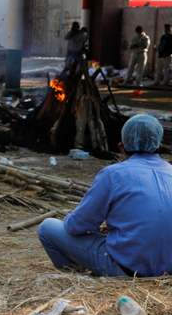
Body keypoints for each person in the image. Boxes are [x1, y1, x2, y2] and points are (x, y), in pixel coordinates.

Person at [38, 114, 172, 278]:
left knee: (47, 227)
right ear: (159, 146)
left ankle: (74, 280)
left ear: (121, 147)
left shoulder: (113, 174)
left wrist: (89, 226)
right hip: (167, 272)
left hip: (126, 269)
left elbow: (76, 226)